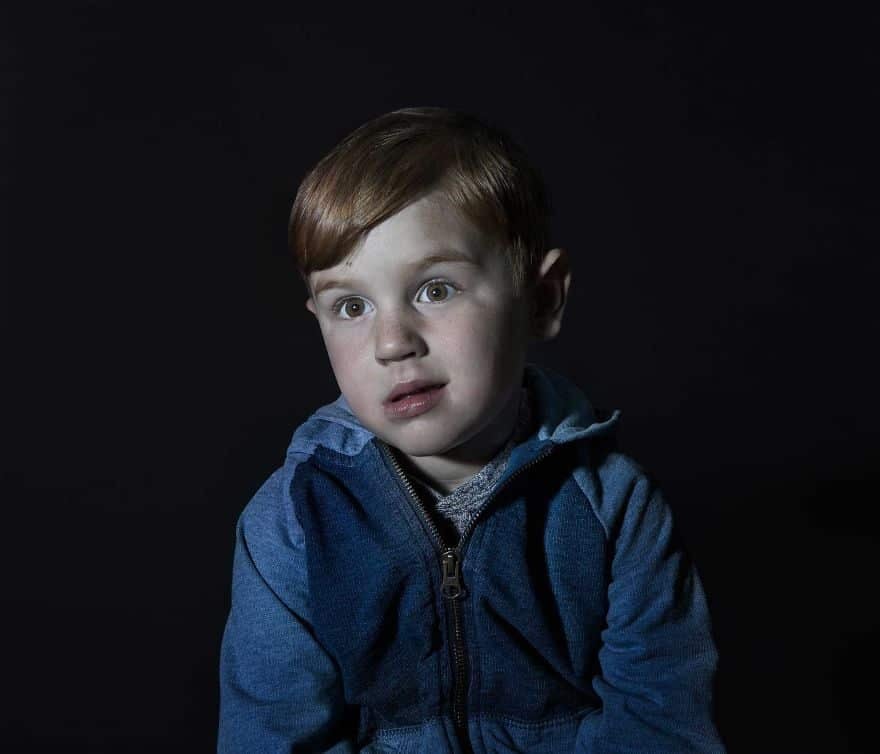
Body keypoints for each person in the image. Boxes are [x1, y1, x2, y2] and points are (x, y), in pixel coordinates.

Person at [218, 107, 725, 753]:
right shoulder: (291, 519)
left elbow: (661, 727)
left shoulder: (615, 506)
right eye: (351, 306)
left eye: (434, 290)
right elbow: (272, 736)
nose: (392, 342)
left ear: (540, 300)